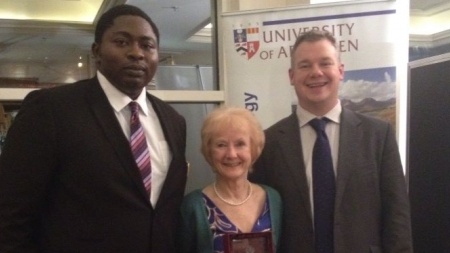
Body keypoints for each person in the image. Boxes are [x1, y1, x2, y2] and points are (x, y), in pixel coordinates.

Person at [0, 4, 188, 253]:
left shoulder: (174, 121)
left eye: (147, 45)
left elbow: (163, 211)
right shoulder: (51, 110)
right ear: (97, 52)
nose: (136, 53)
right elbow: (11, 212)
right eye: (122, 42)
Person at [249, 30, 413, 253]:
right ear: (291, 75)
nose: (316, 72)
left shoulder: (378, 135)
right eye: (305, 65)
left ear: (340, 70)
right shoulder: (268, 143)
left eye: (325, 63)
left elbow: (397, 216)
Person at [178, 107, 282, 253]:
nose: (231, 154)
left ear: (253, 149)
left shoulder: (273, 199)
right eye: (221, 145)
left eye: (240, 144)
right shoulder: (193, 206)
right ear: (209, 151)